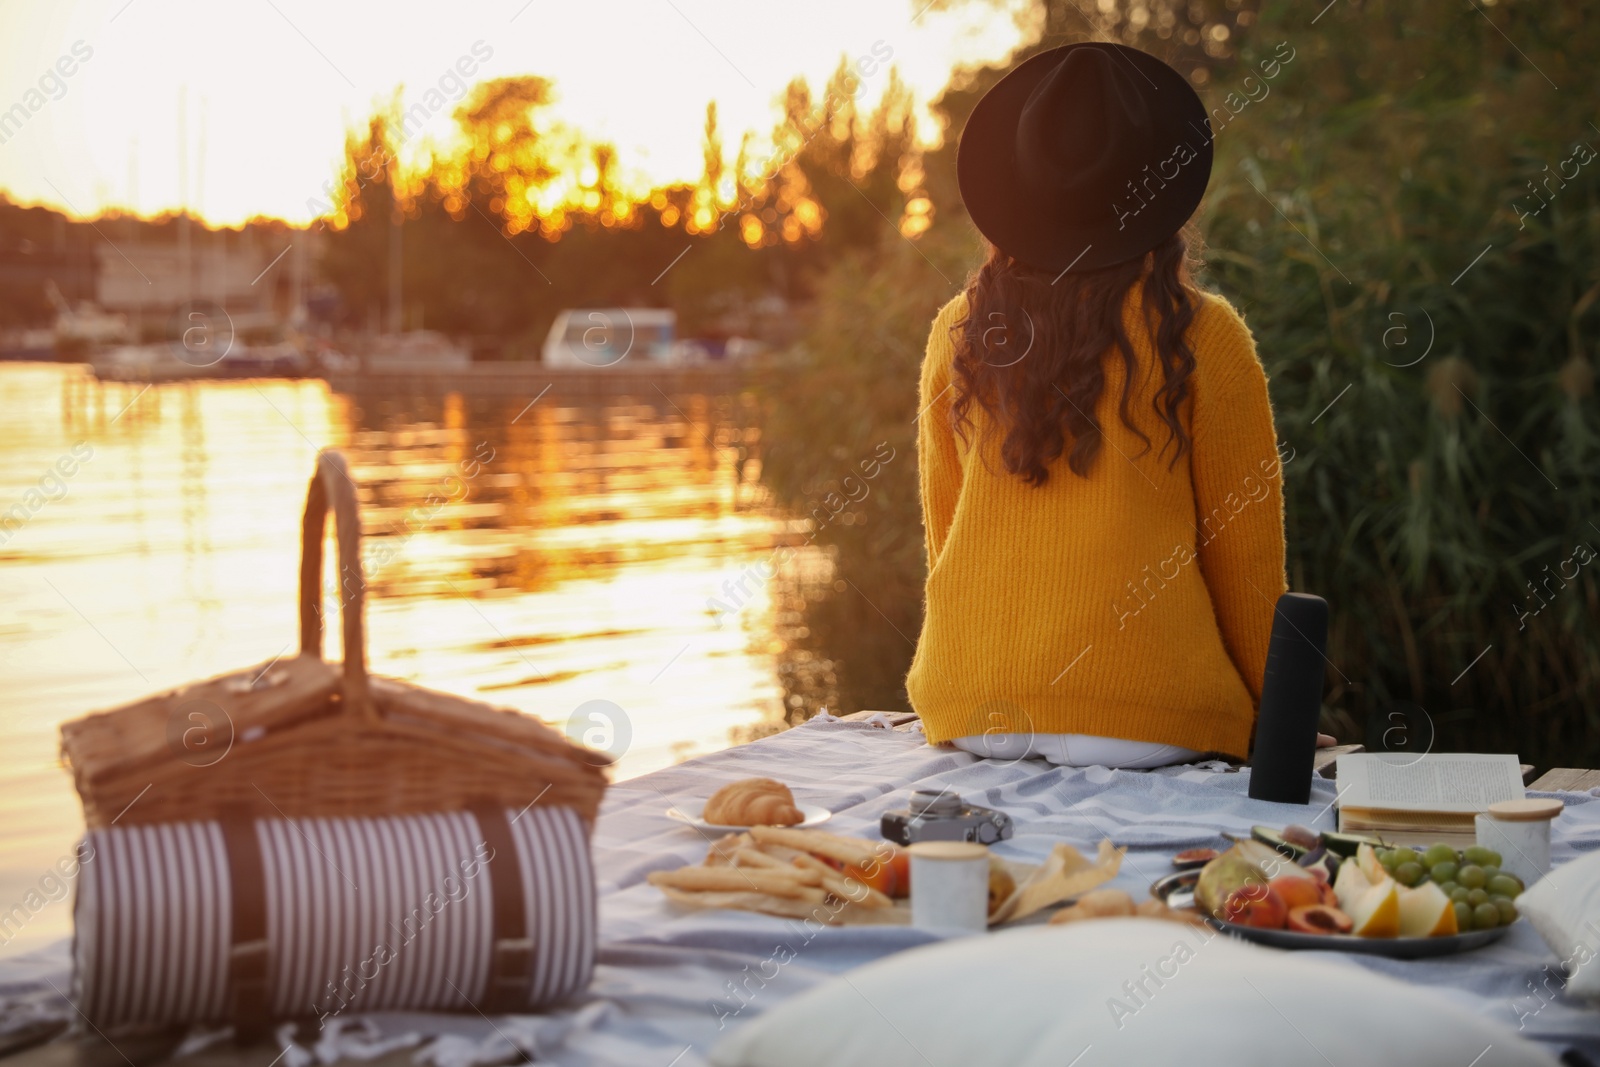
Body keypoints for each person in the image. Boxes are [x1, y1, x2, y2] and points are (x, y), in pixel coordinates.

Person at [907, 41, 1319, 768]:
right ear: (1158, 193)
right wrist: (1275, 717)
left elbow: (946, 532)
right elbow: (1246, 555)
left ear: (1016, 192)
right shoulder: (1204, 335)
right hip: (1149, 720)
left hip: (977, 710)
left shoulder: (960, 331)